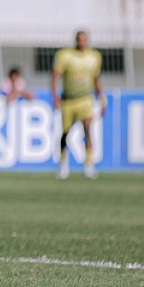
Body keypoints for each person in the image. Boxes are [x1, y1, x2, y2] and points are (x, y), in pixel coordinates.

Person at [50, 30, 105, 180]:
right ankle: (63, 164)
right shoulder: (65, 55)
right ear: (76, 40)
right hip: (68, 99)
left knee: (88, 129)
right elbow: (55, 75)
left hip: (86, 98)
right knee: (65, 133)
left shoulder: (94, 57)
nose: (82, 42)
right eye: (79, 40)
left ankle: (89, 164)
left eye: (84, 40)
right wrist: (54, 96)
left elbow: (96, 79)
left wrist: (101, 98)